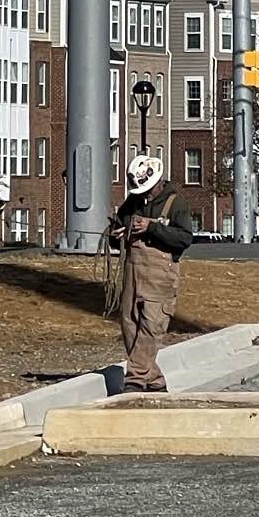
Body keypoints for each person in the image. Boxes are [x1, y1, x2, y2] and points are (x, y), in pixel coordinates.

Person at [110, 152, 194, 394]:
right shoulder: (133, 202)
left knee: (151, 324)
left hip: (161, 274)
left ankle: (135, 378)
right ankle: (155, 381)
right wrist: (116, 233)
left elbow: (185, 238)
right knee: (129, 323)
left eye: (147, 189)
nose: (144, 194)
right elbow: (118, 225)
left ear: (158, 181)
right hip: (132, 271)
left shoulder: (176, 203)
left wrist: (152, 227)